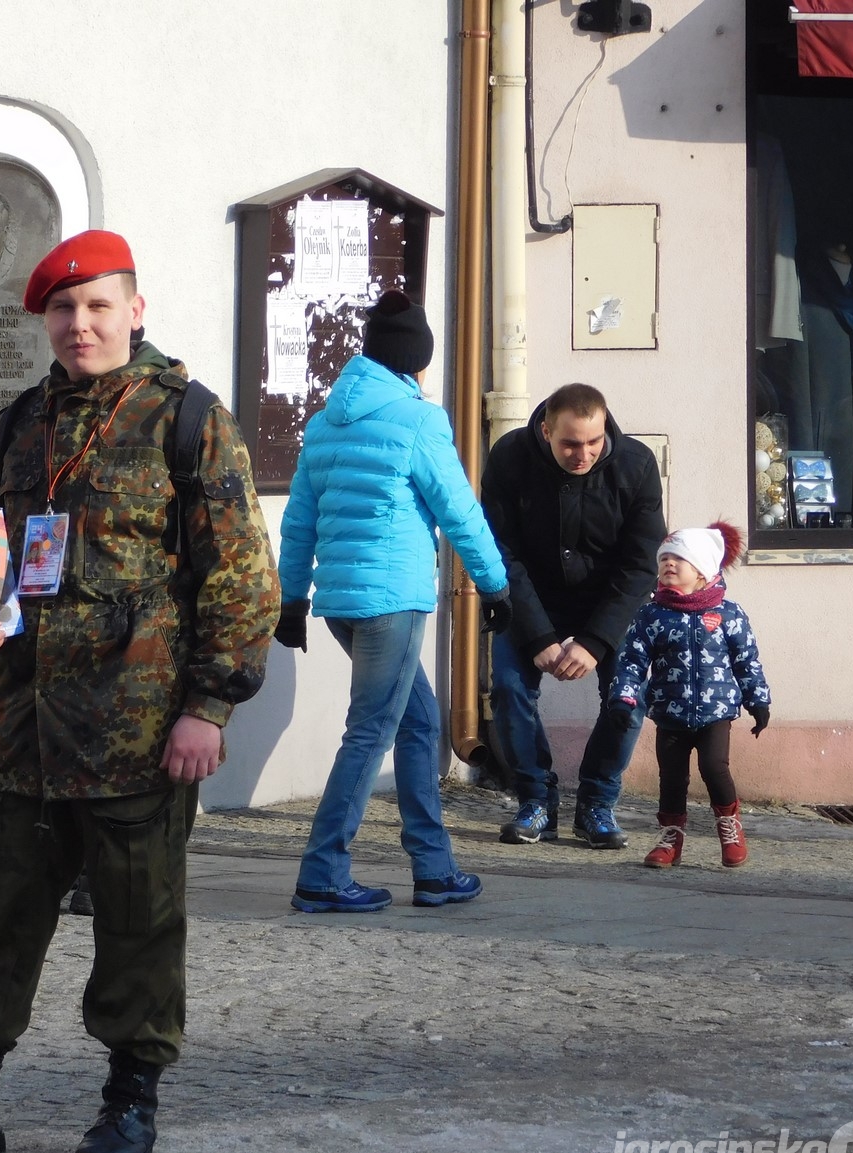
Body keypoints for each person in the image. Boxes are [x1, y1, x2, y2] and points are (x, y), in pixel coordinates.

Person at [0, 230, 279, 1153]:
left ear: (136, 309)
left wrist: (210, 705)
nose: (77, 325)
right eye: (61, 310)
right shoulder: (23, 422)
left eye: (96, 307)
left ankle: (130, 1103)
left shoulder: (188, 418)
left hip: (137, 728)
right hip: (22, 725)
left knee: (137, 921)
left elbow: (243, 578)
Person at [276, 290, 511, 913]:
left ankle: (434, 869)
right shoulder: (418, 420)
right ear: (415, 362)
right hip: (392, 601)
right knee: (371, 732)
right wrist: (495, 585)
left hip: (342, 604)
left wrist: (292, 599)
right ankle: (322, 872)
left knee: (421, 724)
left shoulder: (326, 422)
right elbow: (458, 510)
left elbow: (299, 521)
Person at [481, 382, 666, 849]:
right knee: (507, 688)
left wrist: (595, 641)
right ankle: (535, 801)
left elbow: (640, 564)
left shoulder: (637, 464)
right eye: (570, 443)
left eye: (593, 442)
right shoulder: (509, 457)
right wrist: (538, 633)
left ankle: (597, 805)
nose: (583, 454)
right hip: (527, 599)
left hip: (606, 606)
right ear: (545, 430)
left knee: (628, 697)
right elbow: (500, 553)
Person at [606, 522, 771, 869]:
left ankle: (729, 826)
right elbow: (632, 660)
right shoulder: (653, 615)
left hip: (716, 712)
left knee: (714, 768)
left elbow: (747, 661)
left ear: (703, 570)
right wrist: (622, 698)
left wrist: (757, 700)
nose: (668, 564)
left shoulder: (729, 614)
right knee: (672, 777)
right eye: (664, 558)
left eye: (678, 559)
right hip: (669, 710)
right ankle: (671, 838)